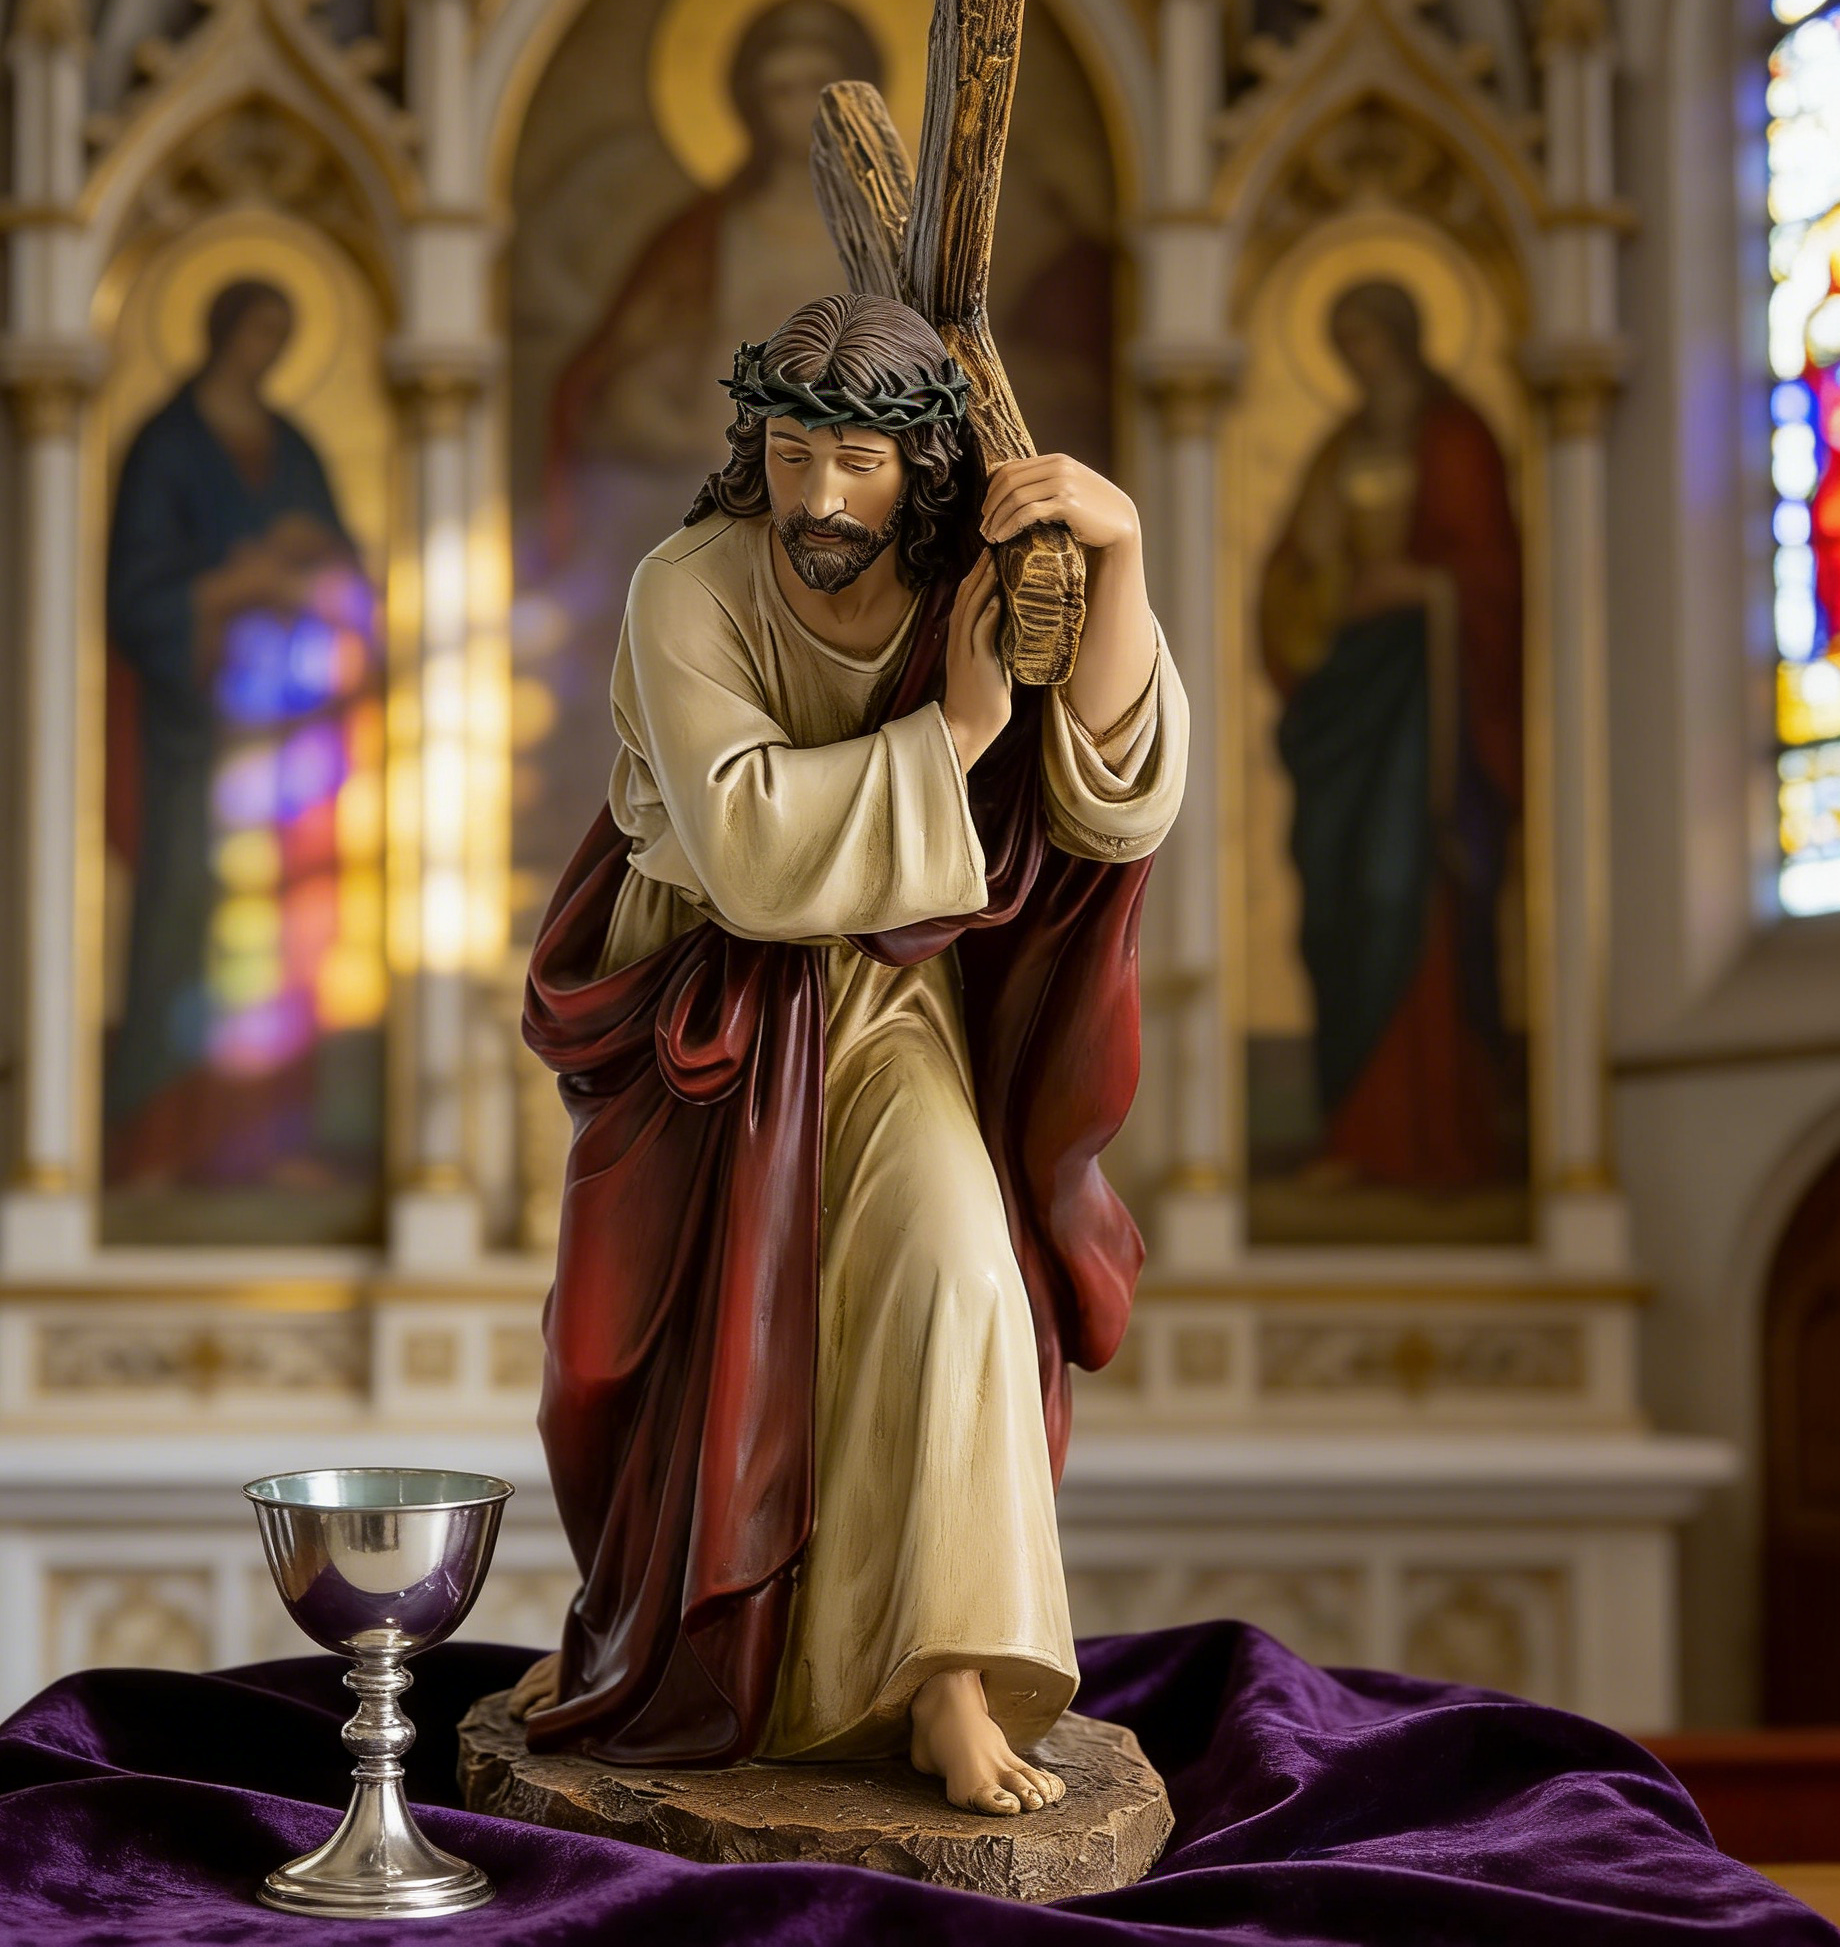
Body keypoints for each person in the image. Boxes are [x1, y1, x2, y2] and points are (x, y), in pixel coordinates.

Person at [513, 293, 1187, 1813]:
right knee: (643, 1363)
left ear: (923, 466)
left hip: (888, 995)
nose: (820, 497)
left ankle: (950, 1678)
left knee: (956, 1275)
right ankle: (687, 1643)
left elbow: (1115, 799)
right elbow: (746, 854)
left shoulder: (979, 579)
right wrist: (951, 733)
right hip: (700, 1006)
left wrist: (1117, 562)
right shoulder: (688, 587)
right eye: (794, 450)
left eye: (861, 461)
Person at [102, 279, 370, 1196]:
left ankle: (268, 1145)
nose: (267, 348)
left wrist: (316, 568)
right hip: (195, 742)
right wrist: (231, 585)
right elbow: (135, 599)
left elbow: (351, 586)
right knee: (186, 923)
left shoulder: (292, 448)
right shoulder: (168, 445)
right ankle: (158, 1143)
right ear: (220, 329)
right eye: (259, 327)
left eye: (282, 333)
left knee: (283, 941)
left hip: (286, 735)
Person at [1259, 279, 1524, 1192]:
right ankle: (1354, 1136)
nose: (1361, 364)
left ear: (1408, 338)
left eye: (1372, 343)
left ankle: (1439, 1140)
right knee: (1336, 902)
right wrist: (1328, 591)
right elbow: (1290, 579)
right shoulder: (1339, 449)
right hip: (1348, 699)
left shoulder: (1456, 437)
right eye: (1347, 347)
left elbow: (1492, 577)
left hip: (1432, 698)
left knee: (1399, 892)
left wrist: (1425, 588)